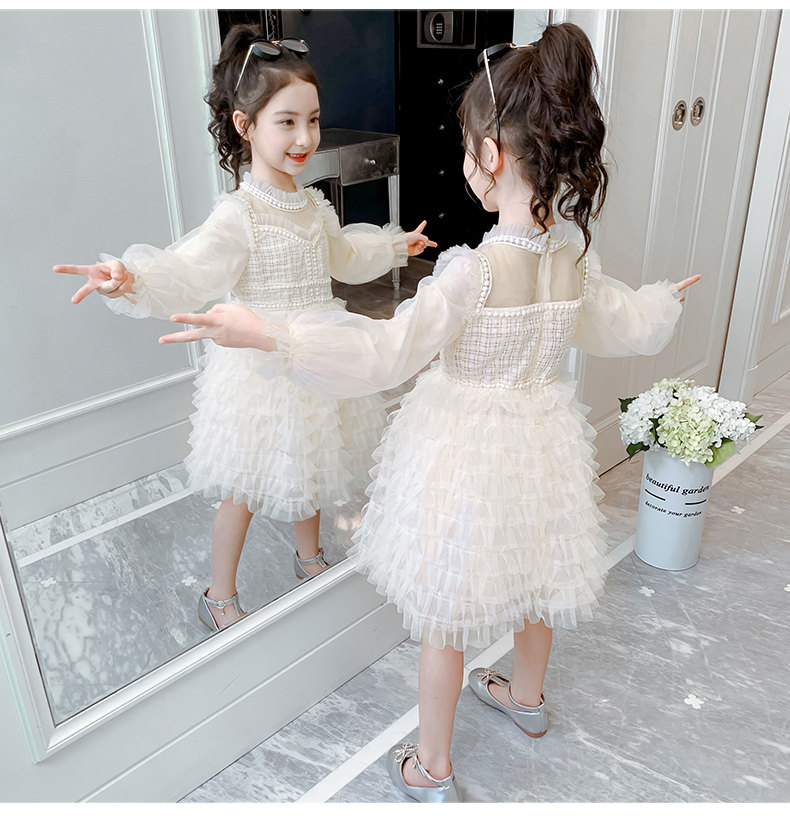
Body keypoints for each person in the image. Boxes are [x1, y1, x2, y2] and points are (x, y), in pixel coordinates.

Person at [159, 22, 700, 801]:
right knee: (537, 576)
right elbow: (620, 322)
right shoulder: (572, 256)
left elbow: (384, 352)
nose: (464, 159)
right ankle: (527, 697)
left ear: (493, 156)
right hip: (544, 446)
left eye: (466, 146)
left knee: (446, 612)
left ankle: (432, 766)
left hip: (466, 451)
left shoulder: (472, 272)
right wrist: (662, 301)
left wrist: (274, 334)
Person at [53, 24, 435, 633]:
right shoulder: (240, 215)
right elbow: (190, 268)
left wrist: (392, 246)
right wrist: (130, 278)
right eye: (287, 122)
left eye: (313, 120)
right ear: (245, 125)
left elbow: (340, 255)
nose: (305, 137)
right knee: (246, 487)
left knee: (313, 460)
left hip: (312, 351)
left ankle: (308, 555)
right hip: (259, 370)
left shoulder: (313, 205)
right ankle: (218, 591)